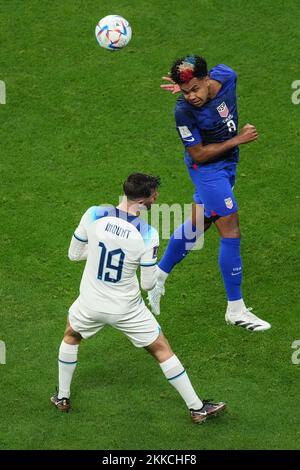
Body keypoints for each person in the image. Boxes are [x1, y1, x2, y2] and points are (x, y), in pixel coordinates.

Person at [51, 173, 226, 424]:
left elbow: (74, 254)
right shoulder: (147, 233)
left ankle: (62, 397)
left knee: (71, 335)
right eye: (155, 195)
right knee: (162, 349)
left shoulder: (93, 214)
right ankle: (197, 408)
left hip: (90, 303)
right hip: (126, 309)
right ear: (144, 200)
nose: (157, 198)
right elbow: (147, 283)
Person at [148, 56, 271, 332]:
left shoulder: (226, 76)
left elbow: (224, 71)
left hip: (227, 166)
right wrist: (238, 139)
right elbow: (199, 154)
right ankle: (235, 309)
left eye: (194, 89)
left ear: (206, 79)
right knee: (231, 232)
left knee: (197, 224)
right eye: (184, 91)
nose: (191, 97)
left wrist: (182, 80)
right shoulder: (183, 112)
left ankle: (157, 275)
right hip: (208, 171)